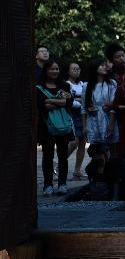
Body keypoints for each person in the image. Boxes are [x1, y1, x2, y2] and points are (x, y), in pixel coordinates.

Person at [36, 60, 73, 196]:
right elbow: (42, 106)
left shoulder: (64, 86)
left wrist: (50, 100)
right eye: (52, 69)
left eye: (57, 69)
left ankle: (62, 184)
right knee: (48, 156)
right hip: (46, 127)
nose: (55, 71)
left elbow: (69, 102)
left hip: (63, 126)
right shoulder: (39, 88)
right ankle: (48, 185)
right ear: (46, 70)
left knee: (63, 156)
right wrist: (60, 102)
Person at [66, 61, 88, 180]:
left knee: (83, 143)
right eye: (74, 69)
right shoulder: (66, 84)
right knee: (74, 142)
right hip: (71, 116)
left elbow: (86, 100)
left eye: (78, 69)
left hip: (83, 116)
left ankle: (77, 170)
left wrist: (78, 101)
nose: (77, 71)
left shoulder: (83, 84)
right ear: (68, 71)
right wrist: (80, 102)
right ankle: (60, 164)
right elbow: (69, 102)